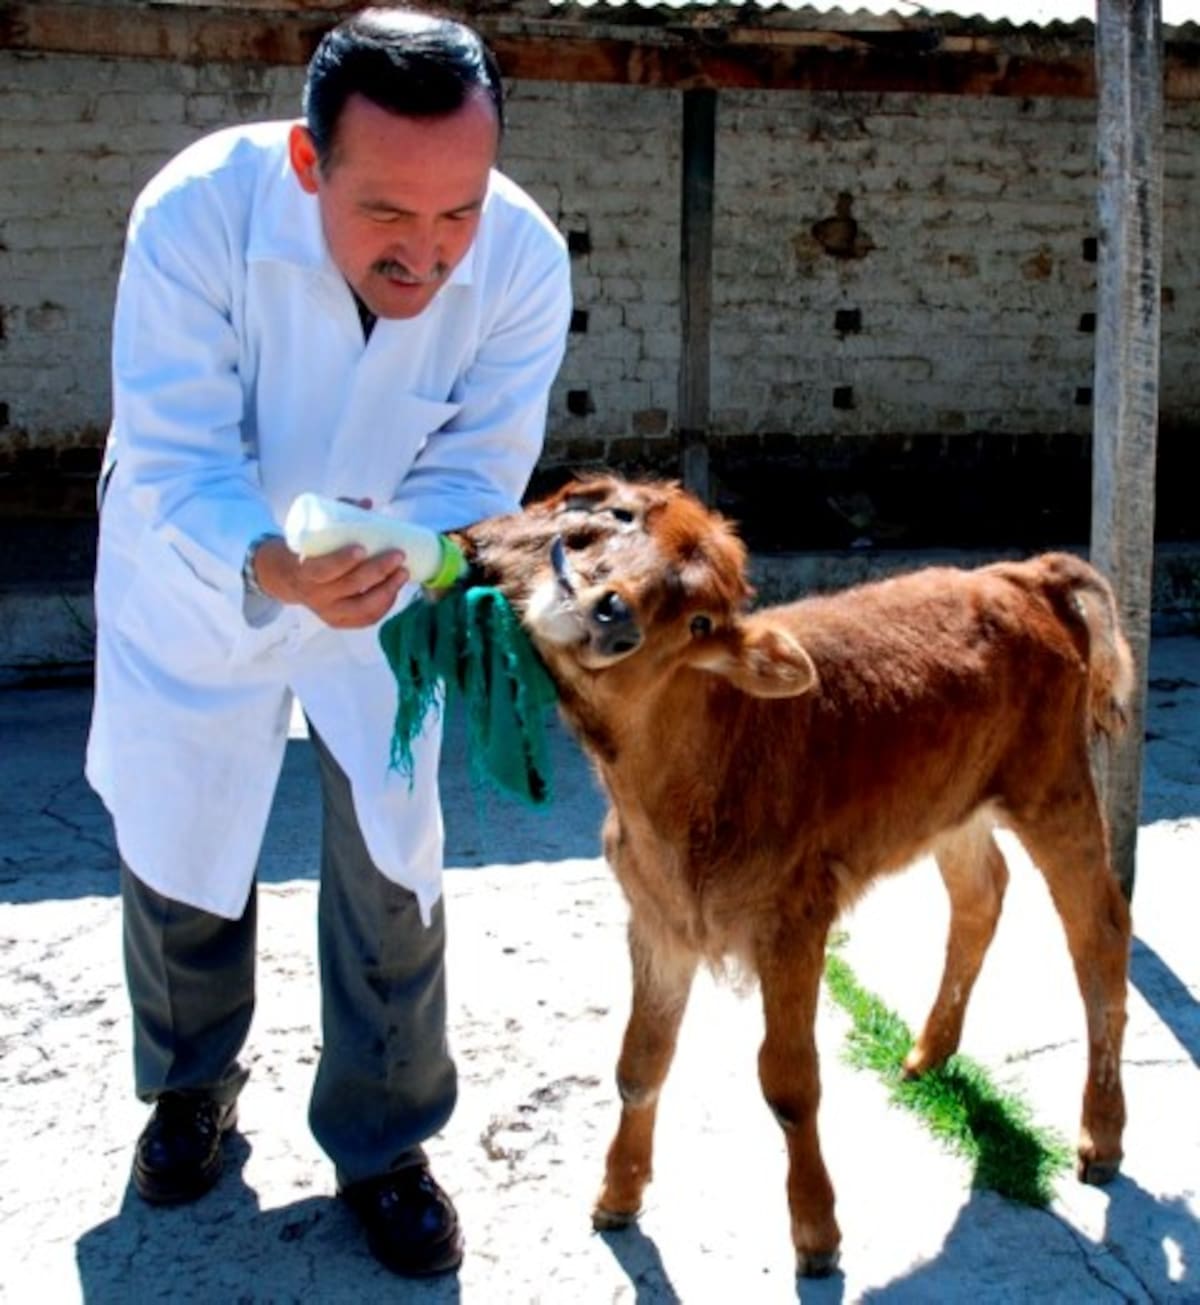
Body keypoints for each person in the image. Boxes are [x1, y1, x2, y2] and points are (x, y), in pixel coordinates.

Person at [85, 6, 571, 1278]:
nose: (429, 255)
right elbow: (177, 451)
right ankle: (191, 1091)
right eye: (388, 218)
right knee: (182, 839)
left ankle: (386, 1142)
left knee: (392, 864)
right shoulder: (196, 215)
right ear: (310, 166)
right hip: (204, 574)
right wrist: (269, 564)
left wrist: (409, 552)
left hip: (379, 585)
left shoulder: (517, 256)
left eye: (456, 210)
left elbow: (482, 459)